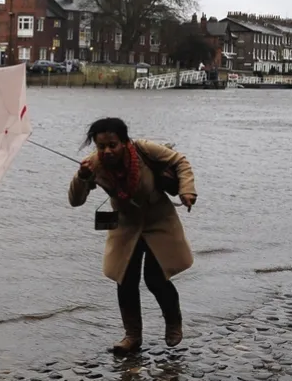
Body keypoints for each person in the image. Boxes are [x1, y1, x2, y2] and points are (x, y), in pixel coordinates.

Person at [68, 117, 198, 355]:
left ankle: (173, 321)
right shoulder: (93, 165)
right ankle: (132, 336)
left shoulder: (143, 149)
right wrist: (82, 177)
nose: (107, 151)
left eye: (113, 144)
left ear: (124, 141)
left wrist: (186, 190)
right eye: (101, 146)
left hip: (159, 220)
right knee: (125, 281)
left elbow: (180, 161)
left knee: (155, 279)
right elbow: (75, 201)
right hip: (126, 226)